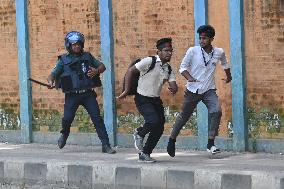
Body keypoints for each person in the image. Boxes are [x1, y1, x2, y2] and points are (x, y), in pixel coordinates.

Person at [167, 25, 232, 157]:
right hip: (192, 90)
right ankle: (172, 140)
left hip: (209, 90)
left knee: (216, 111)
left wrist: (229, 77)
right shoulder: (193, 51)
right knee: (184, 116)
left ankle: (210, 143)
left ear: (211, 39)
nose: (201, 41)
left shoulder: (219, 52)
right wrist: (190, 78)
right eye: (200, 38)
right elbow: (182, 68)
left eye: (204, 38)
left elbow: (225, 64)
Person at [47, 31, 116, 154]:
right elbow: (52, 74)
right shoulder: (63, 60)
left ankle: (106, 145)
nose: (77, 46)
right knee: (67, 118)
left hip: (88, 94)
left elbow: (102, 66)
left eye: (79, 44)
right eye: (74, 44)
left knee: (97, 119)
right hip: (72, 96)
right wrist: (50, 82)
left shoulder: (88, 56)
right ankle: (64, 134)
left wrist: (96, 71)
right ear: (69, 45)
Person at [118, 38, 178, 162]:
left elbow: (173, 84)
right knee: (153, 121)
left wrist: (173, 88)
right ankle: (139, 133)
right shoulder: (149, 61)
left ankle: (145, 153)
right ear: (159, 51)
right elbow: (130, 71)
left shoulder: (168, 69)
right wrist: (126, 90)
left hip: (156, 100)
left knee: (159, 127)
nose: (169, 53)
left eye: (171, 51)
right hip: (142, 98)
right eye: (166, 50)